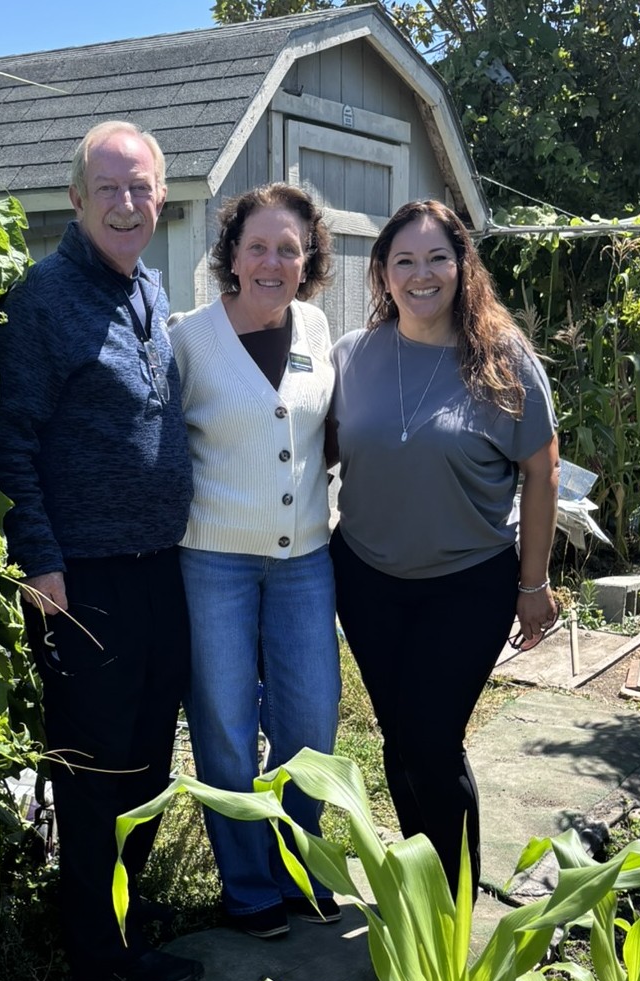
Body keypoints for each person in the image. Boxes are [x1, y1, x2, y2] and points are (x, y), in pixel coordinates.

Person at [0, 121, 204, 981]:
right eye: (108, 188)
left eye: (140, 187)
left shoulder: (148, 287)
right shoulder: (43, 300)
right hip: (82, 578)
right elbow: (10, 442)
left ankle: (117, 914)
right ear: (75, 199)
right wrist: (40, 561)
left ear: (161, 197)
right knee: (95, 766)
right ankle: (99, 956)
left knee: (148, 757)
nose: (126, 203)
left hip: (159, 568)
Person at [327, 199, 559, 899]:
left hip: (468, 584)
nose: (420, 274)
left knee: (431, 737)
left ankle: (454, 903)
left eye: (436, 258)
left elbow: (543, 470)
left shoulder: (502, 359)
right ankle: (421, 889)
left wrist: (534, 582)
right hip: (367, 580)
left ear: (462, 267)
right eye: (404, 260)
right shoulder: (353, 355)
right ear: (382, 273)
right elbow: (315, 449)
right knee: (399, 737)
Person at [167, 183, 341, 940]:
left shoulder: (317, 327)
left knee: (312, 722)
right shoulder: (189, 339)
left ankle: (297, 863)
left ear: (309, 260)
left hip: (305, 560)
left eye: (289, 249)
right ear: (232, 256)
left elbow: (321, 432)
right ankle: (247, 889)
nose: (273, 262)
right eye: (258, 247)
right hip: (213, 562)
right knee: (226, 727)